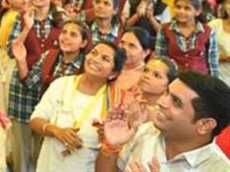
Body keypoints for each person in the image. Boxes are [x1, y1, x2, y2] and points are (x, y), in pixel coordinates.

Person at [96, 71, 230, 171]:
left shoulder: (219, 168)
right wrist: (111, 148)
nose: (161, 102)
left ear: (205, 125)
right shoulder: (145, 132)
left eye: (176, 102)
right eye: (166, 93)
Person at [30, 41, 127, 171]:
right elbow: (35, 120)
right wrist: (56, 131)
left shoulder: (113, 102)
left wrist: (106, 139)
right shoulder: (61, 84)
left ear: (113, 73)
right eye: (94, 53)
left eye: (105, 59)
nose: (95, 59)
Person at [7, 0, 64, 172]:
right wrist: (27, 27)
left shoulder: (60, 21)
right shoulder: (20, 18)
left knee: (44, 149)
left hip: (49, 90)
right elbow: (11, 51)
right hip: (22, 90)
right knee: (21, 150)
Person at [155, 0, 219, 76]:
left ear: (197, 11)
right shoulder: (164, 29)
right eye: (178, 7)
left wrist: (214, 82)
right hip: (174, 79)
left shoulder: (208, 31)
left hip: (200, 80)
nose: (181, 11)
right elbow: (160, 59)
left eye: (187, 8)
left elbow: (212, 63)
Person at [116, 27, 153, 92]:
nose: (124, 49)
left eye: (132, 46)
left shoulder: (147, 77)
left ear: (145, 52)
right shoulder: (111, 67)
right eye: (122, 43)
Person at [209, 0, 230, 86]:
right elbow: (200, 53)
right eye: (229, 3)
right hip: (216, 77)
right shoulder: (214, 25)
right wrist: (223, 58)